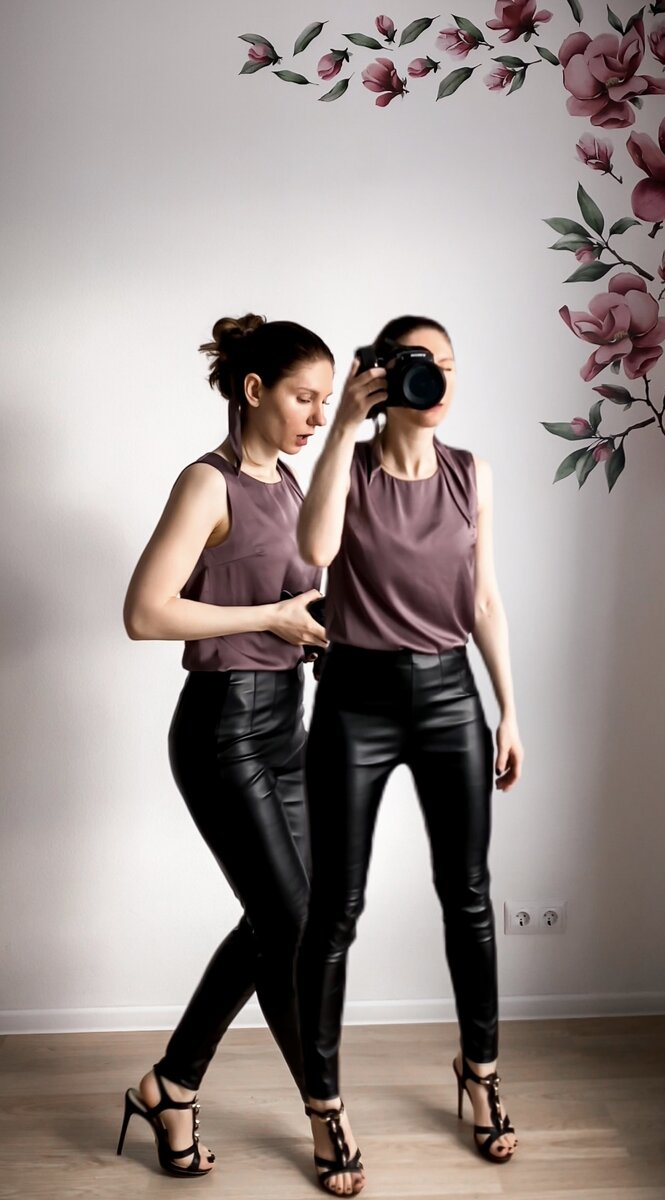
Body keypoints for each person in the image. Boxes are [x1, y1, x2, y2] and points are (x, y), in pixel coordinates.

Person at [295, 315, 524, 1195]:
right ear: (383, 376)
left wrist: (508, 710)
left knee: (467, 896)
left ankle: (481, 1075)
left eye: (449, 366)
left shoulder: (472, 473)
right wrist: (342, 428)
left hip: (449, 697)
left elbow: (484, 599)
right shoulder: (348, 467)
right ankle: (323, 1106)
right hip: (353, 700)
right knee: (335, 909)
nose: (439, 382)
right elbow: (315, 553)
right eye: (422, 366)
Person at [116, 313, 333, 1177]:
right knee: (289, 920)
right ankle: (200, 1088)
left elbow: (293, 601)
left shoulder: (290, 482)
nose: (317, 416)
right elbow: (145, 613)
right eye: (303, 397)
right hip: (222, 728)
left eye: (324, 400)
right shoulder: (207, 484)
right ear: (253, 390)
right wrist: (273, 618)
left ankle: (193, 1089)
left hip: (287, 721)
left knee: (291, 923)